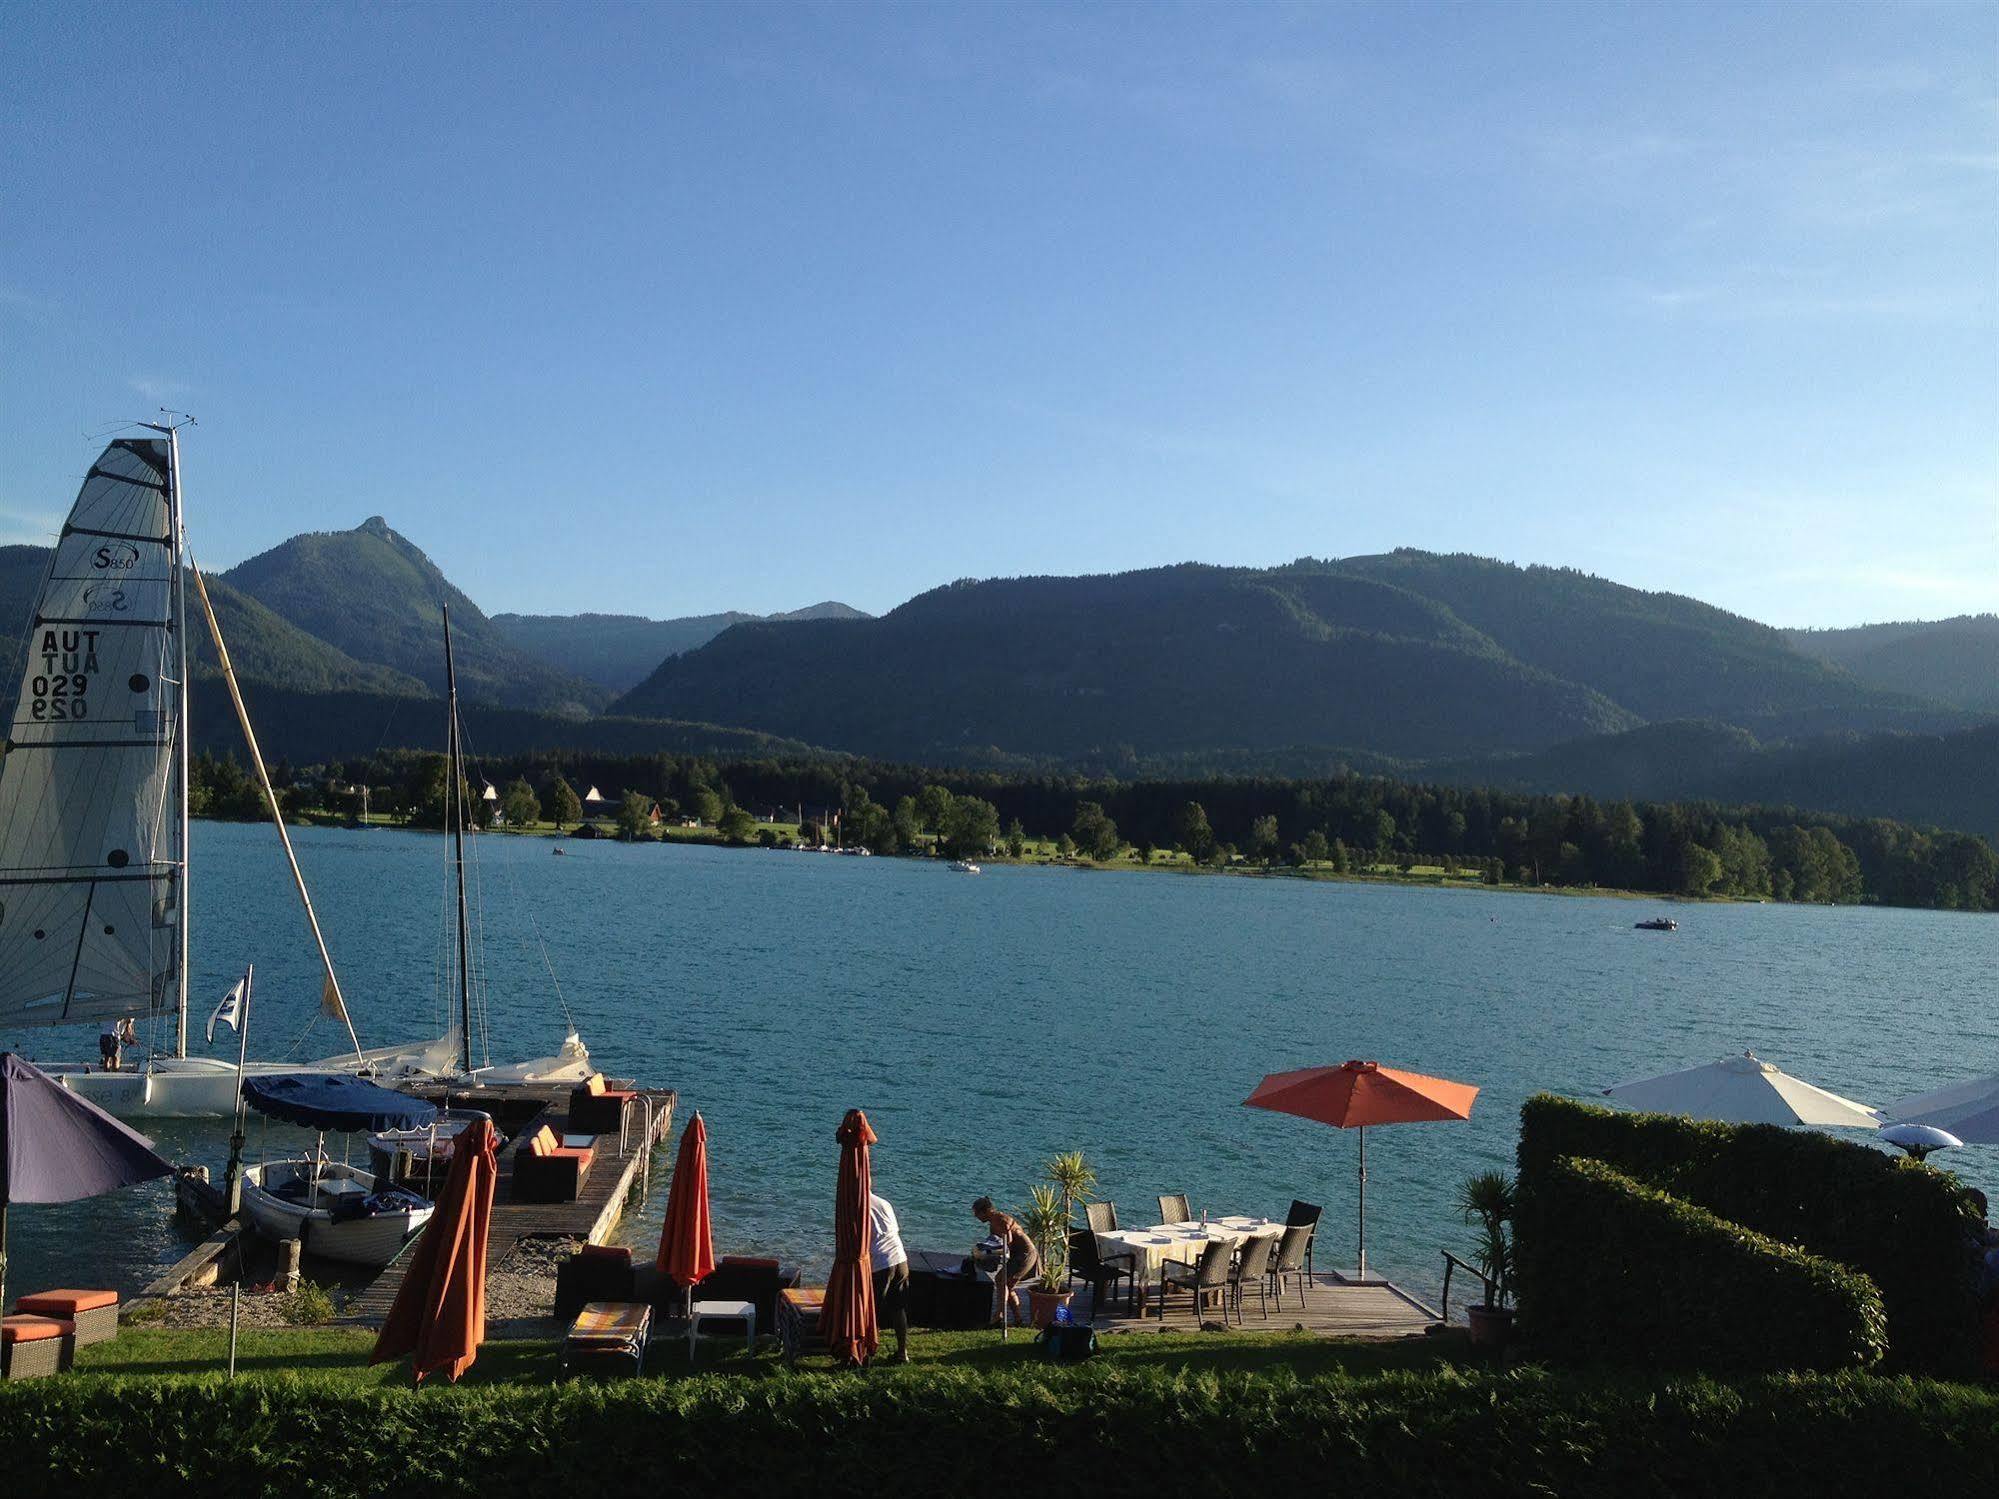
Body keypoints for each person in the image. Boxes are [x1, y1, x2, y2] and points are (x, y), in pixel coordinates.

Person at [972, 1196, 1039, 1326]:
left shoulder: (1001, 1220)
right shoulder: (993, 1222)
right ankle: (1018, 1319)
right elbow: (996, 1243)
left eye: (976, 1213)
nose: (976, 1216)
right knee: (1007, 1285)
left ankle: (998, 1316)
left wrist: (987, 1253)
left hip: (1025, 1254)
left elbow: (1007, 1242)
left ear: (984, 1211)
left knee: (1000, 1280)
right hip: (1017, 1255)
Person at [869, 1191, 910, 1364]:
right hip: (900, 1257)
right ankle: (902, 1352)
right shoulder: (884, 1202)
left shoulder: (859, 1206)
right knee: (897, 1307)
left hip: (880, 1262)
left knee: (870, 1310)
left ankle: (865, 1354)